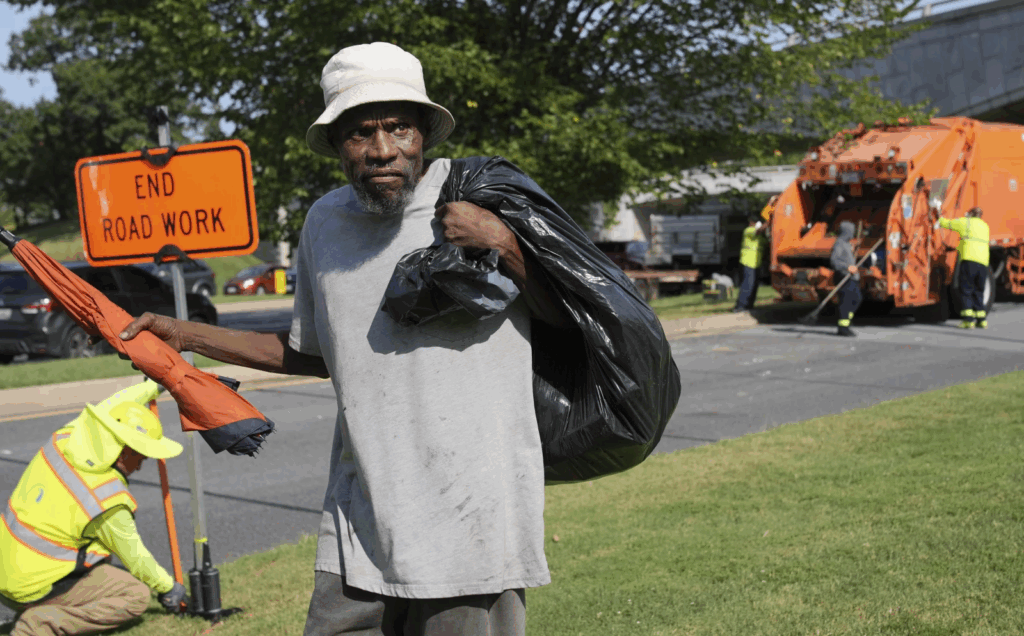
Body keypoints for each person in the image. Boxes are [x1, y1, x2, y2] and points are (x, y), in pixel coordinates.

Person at [115, 42, 574, 636]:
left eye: (399, 127)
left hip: (474, 512)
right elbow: (313, 354)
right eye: (360, 132)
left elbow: (571, 320)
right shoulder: (324, 224)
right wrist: (182, 334)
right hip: (362, 513)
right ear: (336, 144)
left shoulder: (487, 199)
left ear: (424, 133)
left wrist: (506, 246)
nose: (382, 149)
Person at [0, 381, 188, 636]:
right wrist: (169, 589)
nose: (142, 464)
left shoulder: (68, 438)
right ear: (124, 451)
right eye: (141, 454)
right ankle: (37, 624)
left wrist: (153, 386)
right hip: (31, 587)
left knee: (102, 556)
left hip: (7, 570)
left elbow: (111, 407)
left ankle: (38, 606)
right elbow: (136, 558)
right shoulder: (105, 498)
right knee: (135, 594)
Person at [938, 206, 991, 329]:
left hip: (969, 261)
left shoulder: (965, 223)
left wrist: (937, 213)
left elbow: (946, 223)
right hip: (983, 263)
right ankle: (982, 320)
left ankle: (968, 321)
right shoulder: (985, 226)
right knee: (979, 291)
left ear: (970, 214)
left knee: (966, 290)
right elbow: (973, 241)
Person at [830, 221, 862, 337]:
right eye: (851, 231)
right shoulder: (839, 244)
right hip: (844, 277)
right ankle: (843, 328)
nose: (853, 233)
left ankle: (847, 320)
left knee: (857, 299)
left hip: (851, 278)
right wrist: (847, 267)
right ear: (847, 231)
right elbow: (834, 261)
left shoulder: (846, 244)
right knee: (846, 302)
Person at [733, 212, 769, 313]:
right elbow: (758, 231)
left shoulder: (760, 237)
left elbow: (765, 242)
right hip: (748, 262)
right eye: (756, 222)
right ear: (751, 223)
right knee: (747, 285)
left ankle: (749, 306)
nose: (757, 223)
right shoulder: (748, 231)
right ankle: (740, 306)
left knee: (754, 285)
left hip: (756, 263)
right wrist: (768, 222)